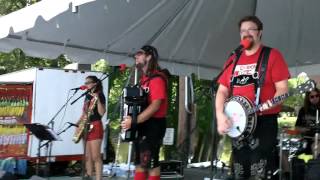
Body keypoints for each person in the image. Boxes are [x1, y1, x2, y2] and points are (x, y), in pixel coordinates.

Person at [215, 15, 290, 179]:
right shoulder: (234, 58)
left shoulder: (272, 55)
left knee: (259, 173)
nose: (246, 33)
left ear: (260, 33)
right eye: (242, 31)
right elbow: (222, 90)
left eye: (250, 29)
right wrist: (220, 115)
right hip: (238, 124)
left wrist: (267, 105)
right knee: (239, 172)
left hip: (263, 122)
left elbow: (283, 90)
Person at [121, 45, 168, 180]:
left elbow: (155, 106)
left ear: (149, 56)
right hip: (143, 124)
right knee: (140, 163)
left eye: (139, 53)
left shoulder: (157, 79)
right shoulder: (144, 80)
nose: (136, 56)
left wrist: (134, 120)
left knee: (151, 163)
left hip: (154, 125)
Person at [77, 76, 106, 180]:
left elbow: (102, 113)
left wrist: (97, 99)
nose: (86, 84)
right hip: (85, 126)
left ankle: (99, 178)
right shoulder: (87, 96)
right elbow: (84, 113)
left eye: (88, 82)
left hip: (96, 125)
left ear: (95, 83)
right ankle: (88, 176)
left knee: (96, 157)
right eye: (85, 82)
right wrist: (77, 124)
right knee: (88, 156)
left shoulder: (100, 95)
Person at [295, 88, 320, 156]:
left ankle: (315, 166)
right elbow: (297, 127)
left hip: (318, 140)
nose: (315, 98)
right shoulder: (303, 110)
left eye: (317, 95)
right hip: (305, 139)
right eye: (312, 96)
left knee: (315, 147)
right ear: (308, 98)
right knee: (285, 151)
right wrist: (302, 129)